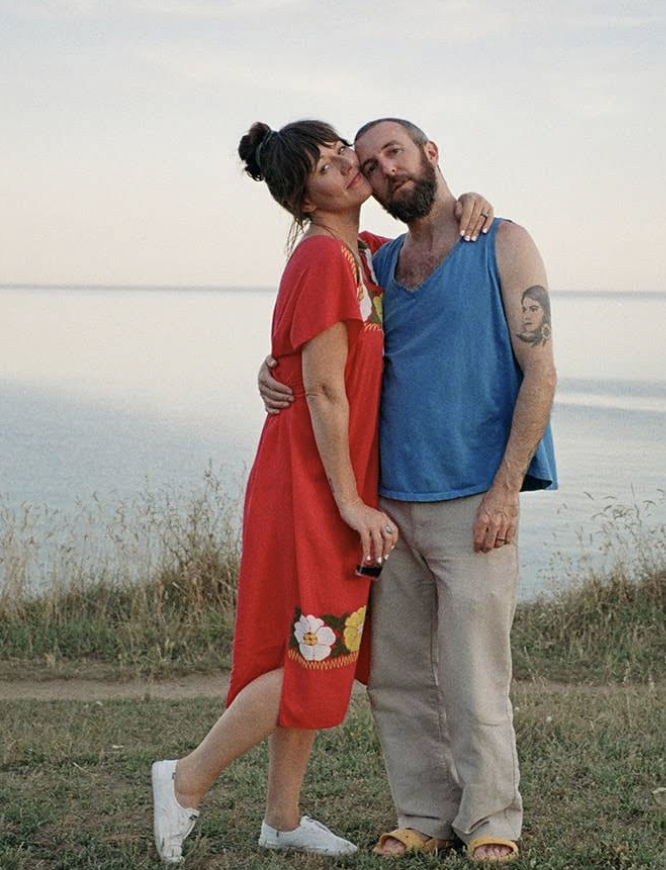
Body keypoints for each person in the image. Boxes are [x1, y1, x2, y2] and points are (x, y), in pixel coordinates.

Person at [149, 118, 494, 865]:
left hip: (327, 479)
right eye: (330, 163)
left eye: (346, 151)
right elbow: (326, 392)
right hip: (313, 485)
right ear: (305, 197)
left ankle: (282, 816)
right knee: (318, 647)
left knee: (308, 641)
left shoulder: (363, 257)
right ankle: (185, 778)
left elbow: (419, 250)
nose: (348, 164)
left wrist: (471, 200)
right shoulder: (320, 260)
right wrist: (348, 503)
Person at [259, 118, 557, 864]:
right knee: (394, 678)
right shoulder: (380, 263)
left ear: (430, 152)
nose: (382, 169)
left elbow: (541, 372)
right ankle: (424, 811)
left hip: (473, 503)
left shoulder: (500, 241)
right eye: (367, 163)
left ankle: (491, 819)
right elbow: (321, 326)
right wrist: (271, 372)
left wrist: (506, 489)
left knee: (474, 674)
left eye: (393, 152)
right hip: (389, 508)